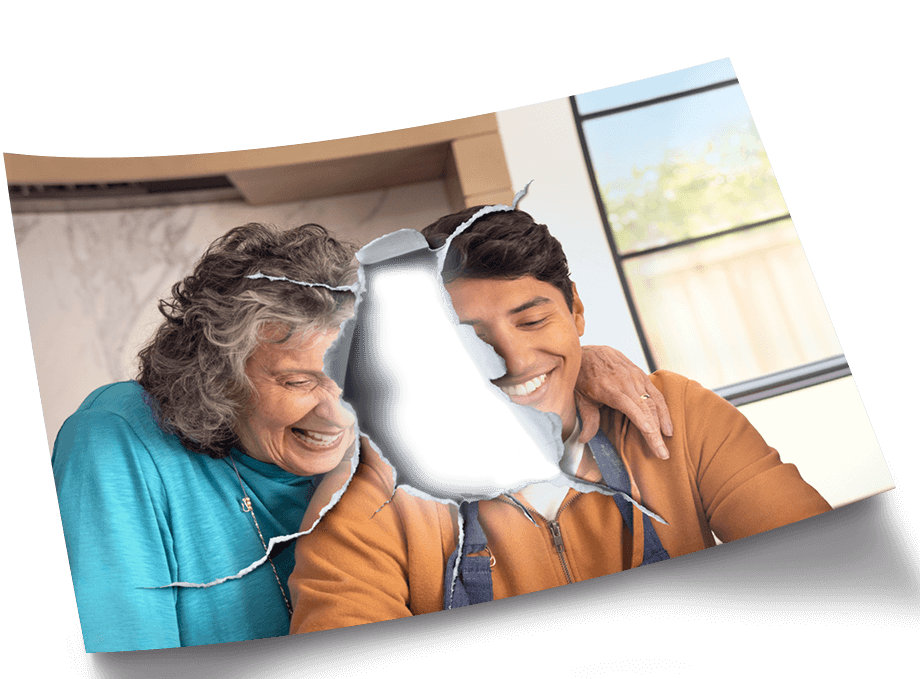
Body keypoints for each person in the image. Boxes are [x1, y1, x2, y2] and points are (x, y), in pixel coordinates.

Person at [53, 222, 672, 652]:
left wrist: (582, 361)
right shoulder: (118, 443)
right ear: (220, 376)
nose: (336, 414)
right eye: (297, 380)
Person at [288, 207, 833, 633]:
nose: (517, 361)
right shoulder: (367, 500)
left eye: (533, 320)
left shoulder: (679, 418)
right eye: (470, 341)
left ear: (575, 309)